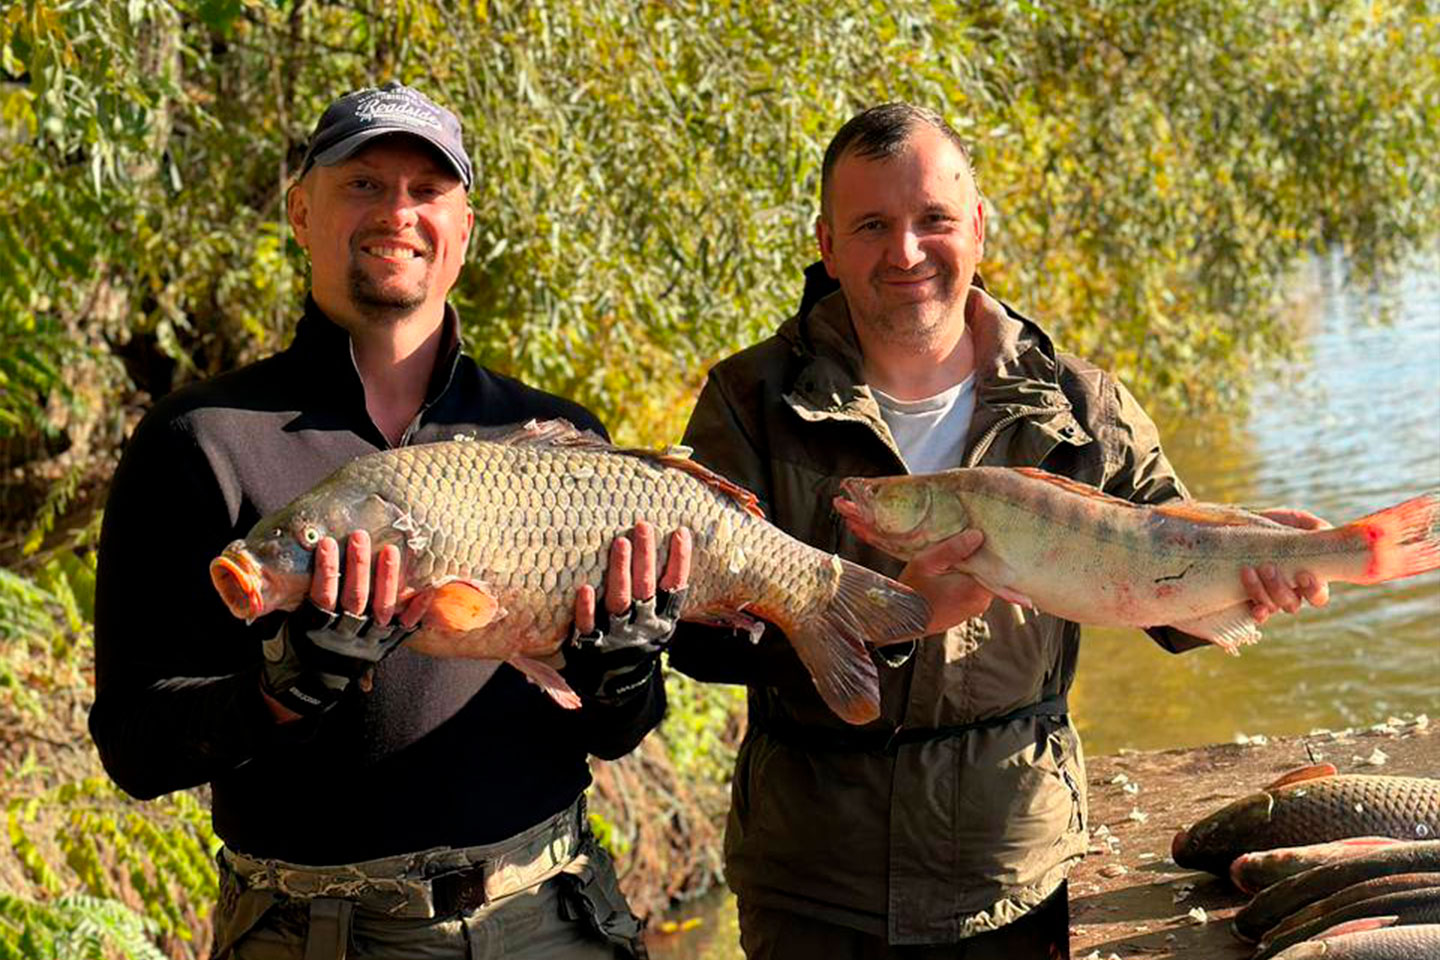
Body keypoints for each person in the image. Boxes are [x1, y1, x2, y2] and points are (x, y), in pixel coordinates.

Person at [666, 102, 1328, 959]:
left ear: (978, 227)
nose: (905, 252)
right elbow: (703, 642)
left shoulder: (1081, 405)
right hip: (813, 886)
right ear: (827, 244)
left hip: (1012, 871)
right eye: (872, 225)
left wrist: (1260, 575)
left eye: (933, 220)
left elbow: (1168, 584)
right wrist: (900, 619)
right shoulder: (749, 401)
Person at [89, 81, 688, 960]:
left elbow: (617, 731)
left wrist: (620, 678)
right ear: (301, 212)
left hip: (548, 917)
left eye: (426, 190)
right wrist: (279, 693)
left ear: (465, 230)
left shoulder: (561, 447)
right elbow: (136, 749)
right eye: (363, 184)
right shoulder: (200, 440)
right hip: (308, 933)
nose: (397, 212)